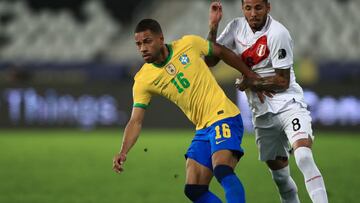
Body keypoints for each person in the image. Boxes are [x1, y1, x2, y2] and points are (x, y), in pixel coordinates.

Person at [113, 18, 260, 203]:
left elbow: (220, 51)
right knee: (194, 189)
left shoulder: (188, 44)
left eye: (147, 41)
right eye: (138, 44)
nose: (142, 48)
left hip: (224, 116)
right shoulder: (143, 79)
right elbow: (136, 121)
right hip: (202, 128)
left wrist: (249, 74)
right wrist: (123, 151)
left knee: (222, 169)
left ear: (160, 38)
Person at [206, 0, 328, 203]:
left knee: (304, 156)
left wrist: (251, 83)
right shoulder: (236, 27)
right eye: (248, 8)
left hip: (288, 105)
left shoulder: (278, 33)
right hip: (262, 114)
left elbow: (282, 80)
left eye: (258, 8)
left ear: (268, 8)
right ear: (242, 9)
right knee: (281, 178)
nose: (253, 13)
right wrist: (213, 26)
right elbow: (210, 60)